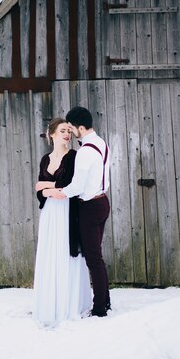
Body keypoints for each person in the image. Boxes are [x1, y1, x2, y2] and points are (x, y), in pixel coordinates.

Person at [32, 117, 92, 327]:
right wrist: (48, 190)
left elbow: (70, 185)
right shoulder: (45, 159)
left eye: (69, 130)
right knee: (51, 254)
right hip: (50, 212)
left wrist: (47, 186)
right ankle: (51, 304)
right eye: (63, 131)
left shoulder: (74, 157)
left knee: (68, 253)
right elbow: (39, 191)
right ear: (52, 135)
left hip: (68, 210)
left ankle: (70, 304)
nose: (67, 134)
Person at [54, 106, 111, 317]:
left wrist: (58, 191)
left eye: (70, 128)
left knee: (93, 259)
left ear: (79, 127)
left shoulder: (86, 151)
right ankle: (105, 301)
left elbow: (77, 187)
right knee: (97, 256)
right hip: (103, 201)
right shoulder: (102, 143)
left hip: (90, 207)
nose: (70, 133)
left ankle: (99, 308)